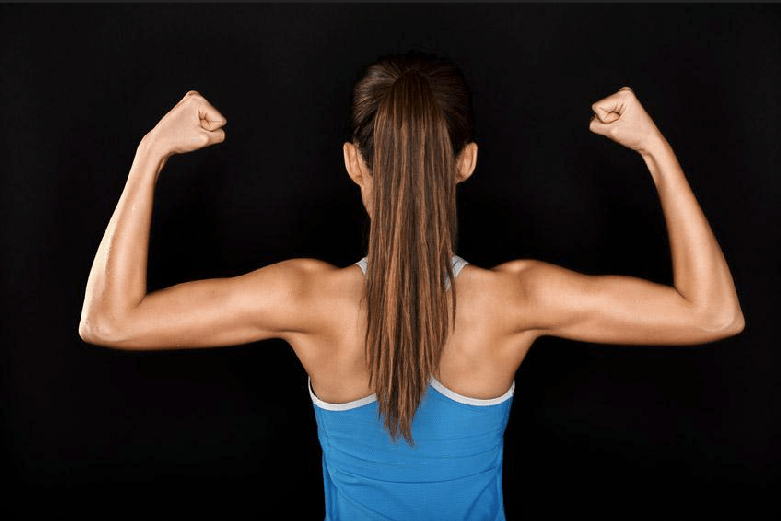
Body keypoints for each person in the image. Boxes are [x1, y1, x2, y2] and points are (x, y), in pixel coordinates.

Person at [78, 50, 745, 520]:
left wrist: (150, 152)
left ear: (353, 163)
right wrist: (653, 148)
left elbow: (109, 320)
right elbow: (712, 314)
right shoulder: (514, 301)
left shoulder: (303, 300)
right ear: (465, 162)